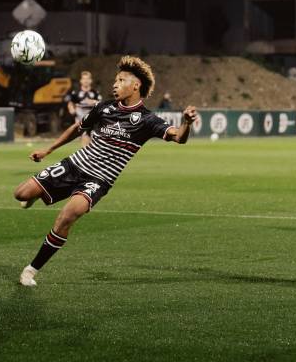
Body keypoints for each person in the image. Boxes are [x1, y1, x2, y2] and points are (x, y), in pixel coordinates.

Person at [13, 56, 197, 287]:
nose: (115, 84)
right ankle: (34, 197)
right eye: (115, 80)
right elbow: (76, 128)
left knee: (67, 217)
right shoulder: (104, 107)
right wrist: (47, 150)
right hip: (74, 165)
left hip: (99, 180)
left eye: (121, 80)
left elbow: (179, 137)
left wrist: (186, 123)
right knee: (20, 194)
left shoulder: (148, 120)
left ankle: (30, 270)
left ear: (136, 85)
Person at [64, 70, 101, 147]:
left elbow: (101, 104)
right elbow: (70, 103)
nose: (86, 81)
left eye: (87, 79)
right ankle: (87, 154)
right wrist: (71, 109)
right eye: (84, 79)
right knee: (85, 137)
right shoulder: (76, 93)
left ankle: (89, 155)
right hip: (80, 120)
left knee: (94, 141)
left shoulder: (95, 93)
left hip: (92, 120)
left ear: (91, 80)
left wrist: (94, 102)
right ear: (81, 81)